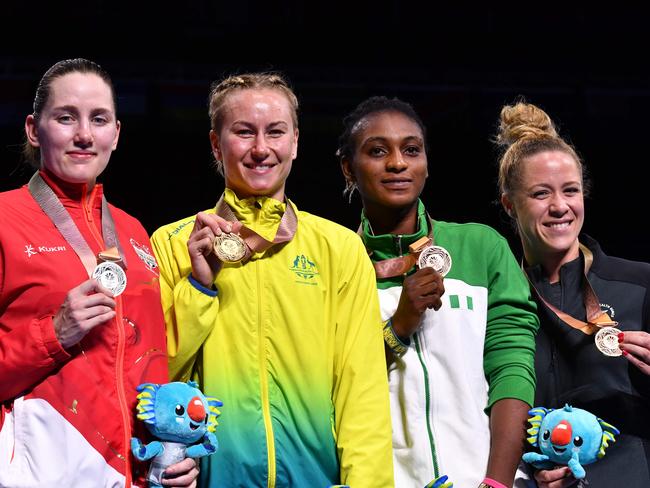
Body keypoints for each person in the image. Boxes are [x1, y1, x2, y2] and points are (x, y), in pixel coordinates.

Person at [151, 73, 394, 487]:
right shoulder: (173, 244)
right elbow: (156, 377)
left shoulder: (338, 249)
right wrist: (199, 287)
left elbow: (362, 391)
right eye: (243, 132)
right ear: (216, 144)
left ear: (295, 142)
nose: (261, 149)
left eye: (275, 132)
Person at [0, 58, 198, 488]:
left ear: (116, 134)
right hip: (40, 472)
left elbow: (151, 367)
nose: (84, 135)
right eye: (66, 117)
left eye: (99, 119)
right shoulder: (3, 218)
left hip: (131, 475)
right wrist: (54, 332)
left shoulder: (134, 233)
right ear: (35, 129)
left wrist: (168, 455)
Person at [337, 96, 540, 488]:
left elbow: (511, 370)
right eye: (377, 151)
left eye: (411, 150)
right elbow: (331, 384)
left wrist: (496, 482)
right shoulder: (334, 263)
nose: (397, 163)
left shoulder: (481, 248)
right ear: (348, 167)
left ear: (426, 163)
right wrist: (397, 327)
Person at [496, 100, 650, 487]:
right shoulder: (497, 299)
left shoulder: (640, 283)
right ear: (509, 205)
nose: (560, 207)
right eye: (540, 194)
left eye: (570, 191)